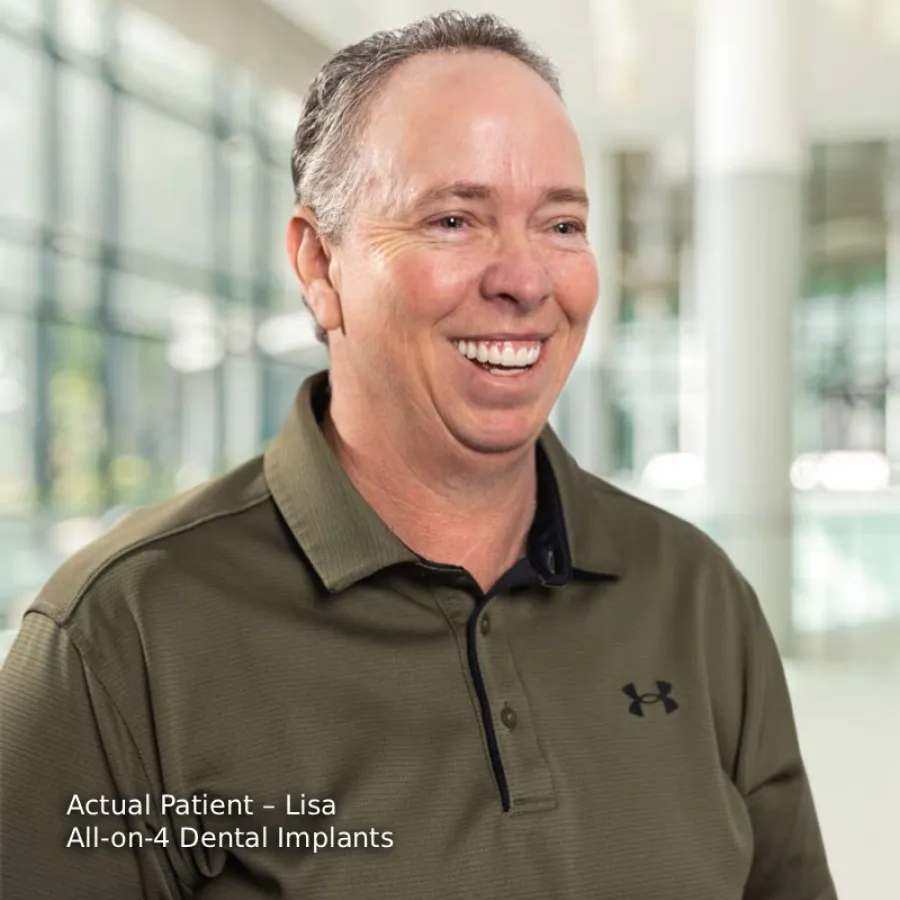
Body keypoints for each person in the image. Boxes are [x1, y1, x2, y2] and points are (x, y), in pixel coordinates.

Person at [0, 11, 836, 899]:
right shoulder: (117, 641)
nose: (524, 279)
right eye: (453, 219)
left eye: (560, 225)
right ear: (320, 265)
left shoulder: (697, 596)